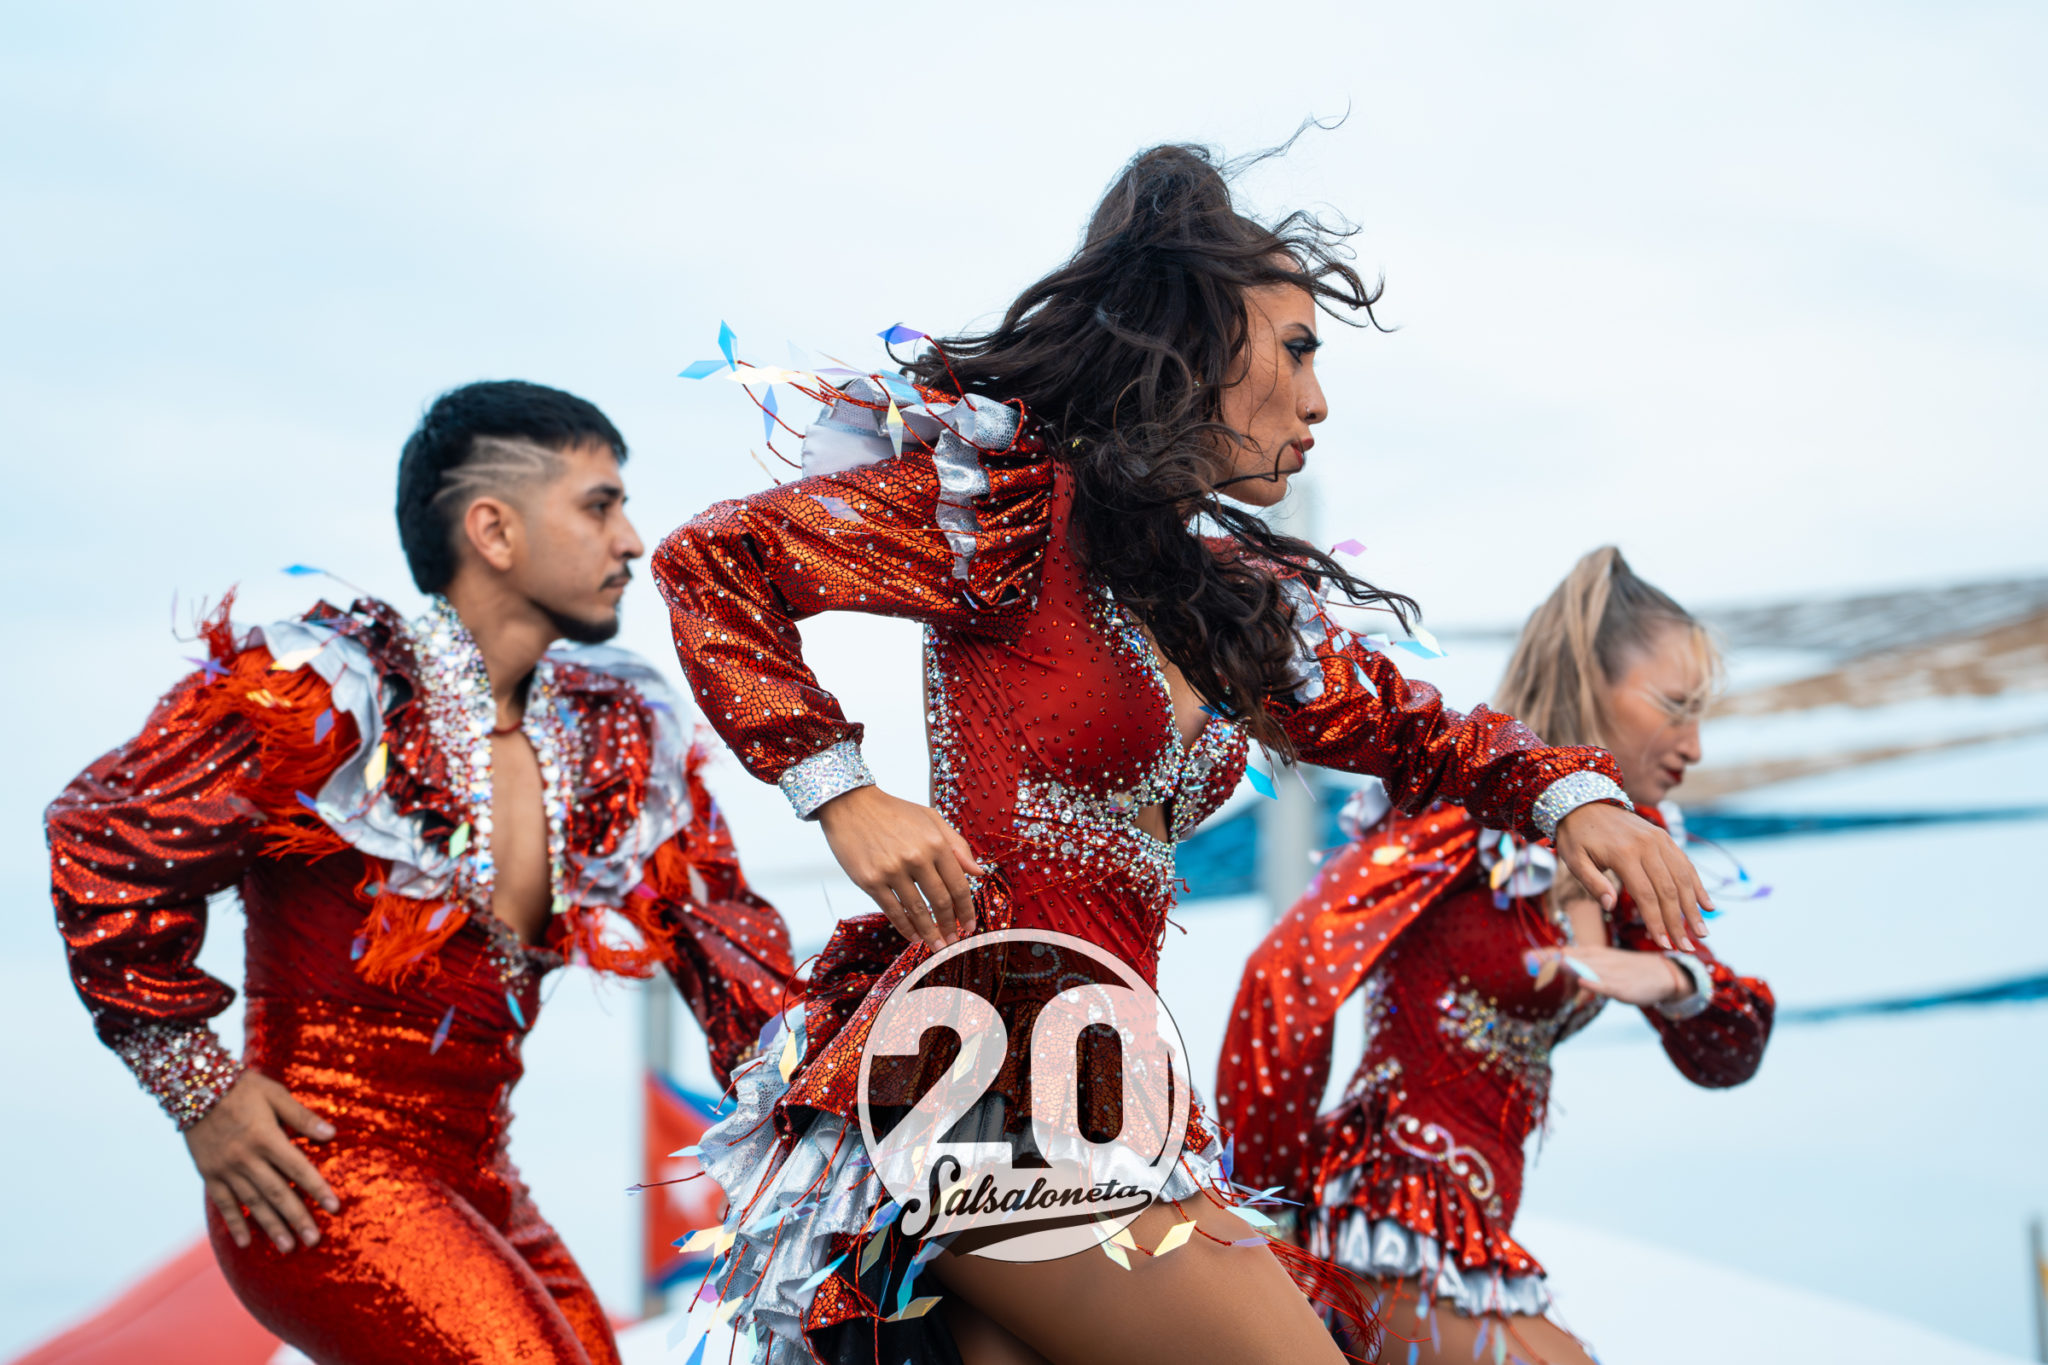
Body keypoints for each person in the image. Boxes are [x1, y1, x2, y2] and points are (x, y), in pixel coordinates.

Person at [651, 144, 1715, 1365]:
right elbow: (713, 563)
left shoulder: (1224, 606)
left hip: (1113, 1087)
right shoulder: (1008, 516)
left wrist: (1569, 796)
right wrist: (840, 789)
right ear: (1200, 346)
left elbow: (1416, 729)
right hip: (986, 1067)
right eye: (1297, 351)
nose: (1317, 402)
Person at [46, 381, 794, 1365]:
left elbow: (734, 953)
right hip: (318, 1176)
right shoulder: (328, 689)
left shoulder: (615, 732)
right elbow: (106, 832)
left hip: (484, 1181)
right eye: (599, 505)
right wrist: (198, 1089)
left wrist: (857, 1106)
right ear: (493, 530)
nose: (631, 541)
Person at [1217, 547, 1774, 1364]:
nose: (1694, 743)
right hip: (1390, 1216)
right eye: (1674, 706)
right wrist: (1270, 1226)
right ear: (1590, 684)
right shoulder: (1461, 819)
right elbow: (1287, 976)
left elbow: (1728, 1050)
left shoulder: (1627, 853)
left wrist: (1673, 976)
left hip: (1478, 1238)